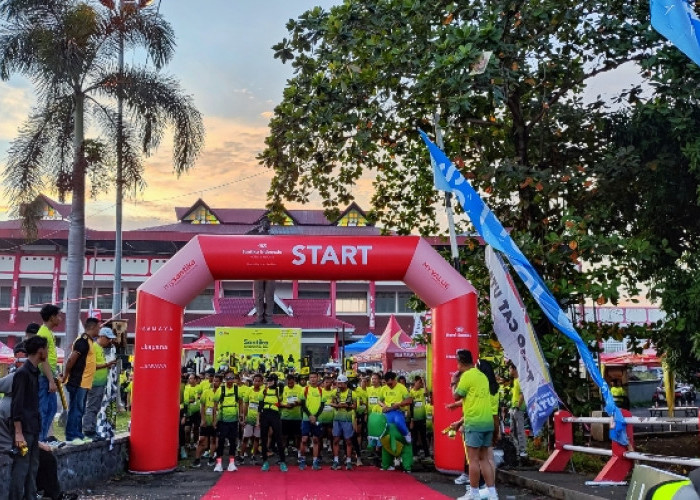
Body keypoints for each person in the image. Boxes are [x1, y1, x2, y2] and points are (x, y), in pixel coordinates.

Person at [449, 349, 498, 500]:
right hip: (487, 422)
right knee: (484, 459)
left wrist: (453, 381)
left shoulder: (467, 376)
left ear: (460, 362)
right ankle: (492, 494)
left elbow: (456, 395)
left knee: (473, 460)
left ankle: (474, 493)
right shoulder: (482, 376)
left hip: (474, 423)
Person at [10, 335, 47, 500]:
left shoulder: (34, 372)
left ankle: (30, 496)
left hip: (33, 426)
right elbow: (16, 405)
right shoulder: (22, 373)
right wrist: (18, 433)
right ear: (40, 351)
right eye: (46, 349)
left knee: (33, 466)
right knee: (22, 467)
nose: (47, 352)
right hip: (24, 428)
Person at [62, 317, 99, 444]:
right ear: (92, 327)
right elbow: (71, 360)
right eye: (98, 328)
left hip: (85, 383)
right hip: (78, 382)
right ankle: (71, 436)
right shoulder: (82, 341)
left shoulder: (90, 341)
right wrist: (65, 375)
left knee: (80, 410)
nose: (99, 330)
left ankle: (78, 434)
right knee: (76, 409)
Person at [83, 327, 117, 440]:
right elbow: (91, 366)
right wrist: (107, 365)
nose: (109, 341)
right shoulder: (94, 347)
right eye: (108, 338)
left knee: (95, 407)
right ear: (101, 337)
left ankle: (92, 429)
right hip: (94, 383)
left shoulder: (100, 348)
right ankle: (88, 430)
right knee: (92, 407)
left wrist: (108, 366)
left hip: (100, 383)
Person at [37, 304, 62, 444]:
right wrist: (50, 380)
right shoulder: (43, 333)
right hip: (44, 377)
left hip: (49, 375)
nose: (60, 319)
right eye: (58, 316)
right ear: (52, 317)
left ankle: (43, 437)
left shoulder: (49, 332)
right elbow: (43, 359)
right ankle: (40, 440)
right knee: (44, 409)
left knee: (51, 408)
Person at [257, 373, 287, 472]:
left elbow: (282, 399)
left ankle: (282, 462)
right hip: (265, 414)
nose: (269, 382)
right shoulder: (264, 390)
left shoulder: (279, 390)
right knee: (264, 439)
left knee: (279, 438)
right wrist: (258, 420)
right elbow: (260, 406)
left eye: (271, 380)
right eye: (268, 380)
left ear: (275, 381)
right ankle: (265, 462)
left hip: (275, 415)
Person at [193, 374, 222, 468]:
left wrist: (216, 420)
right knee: (201, 440)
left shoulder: (222, 392)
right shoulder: (206, 392)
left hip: (216, 420)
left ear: (220, 382)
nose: (215, 382)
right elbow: (202, 406)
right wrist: (203, 419)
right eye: (214, 381)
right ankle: (197, 459)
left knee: (213, 440)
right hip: (206, 420)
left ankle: (211, 458)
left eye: (217, 381)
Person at [213, 372, 241, 472]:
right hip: (222, 420)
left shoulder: (237, 389)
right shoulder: (221, 389)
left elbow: (241, 402)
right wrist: (214, 420)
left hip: (234, 420)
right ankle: (219, 463)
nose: (230, 380)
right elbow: (215, 405)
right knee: (221, 441)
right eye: (228, 378)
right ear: (225, 379)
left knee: (233, 442)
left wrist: (241, 415)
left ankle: (231, 463)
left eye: (232, 378)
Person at [299, 371, 324, 470]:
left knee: (316, 440)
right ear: (309, 379)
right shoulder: (304, 389)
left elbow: (322, 405)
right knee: (304, 439)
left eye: (314, 377)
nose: (313, 379)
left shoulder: (321, 390)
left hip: (317, 419)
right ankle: (302, 460)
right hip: (306, 418)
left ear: (318, 378)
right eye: (311, 377)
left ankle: (315, 462)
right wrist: (310, 416)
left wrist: (315, 416)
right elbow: (302, 404)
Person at [330, 374, 356, 470]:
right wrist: (337, 405)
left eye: (341, 383)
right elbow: (330, 402)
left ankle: (348, 461)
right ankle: (336, 460)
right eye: (338, 383)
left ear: (346, 383)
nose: (339, 385)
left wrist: (347, 405)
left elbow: (355, 406)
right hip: (337, 419)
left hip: (347, 419)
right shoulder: (334, 392)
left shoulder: (352, 393)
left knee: (348, 440)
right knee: (336, 439)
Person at [379, 371, 412, 444]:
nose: (389, 386)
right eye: (387, 384)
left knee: (398, 422)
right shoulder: (383, 388)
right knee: (383, 428)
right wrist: (384, 406)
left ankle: (406, 434)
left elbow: (409, 400)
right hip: (387, 412)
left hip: (398, 411)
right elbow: (379, 401)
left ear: (394, 380)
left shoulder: (402, 387)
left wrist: (399, 404)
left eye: (390, 384)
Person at [241, 373, 263, 464]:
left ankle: (253, 456)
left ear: (261, 382)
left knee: (256, 438)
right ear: (253, 381)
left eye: (259, 381)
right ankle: (241, 456)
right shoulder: (248, 390)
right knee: (245, 438)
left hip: (259, 419)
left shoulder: (264, 391)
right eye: (255, 381)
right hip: (249, 418)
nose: (257, 382)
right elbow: (245, 405)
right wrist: (244, 418)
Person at [280, 373, 303, 463]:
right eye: (288, 382)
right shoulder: (283, 389)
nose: (290, 384)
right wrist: (285, 405)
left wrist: (295, 403)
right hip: (285, 416)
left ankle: (299, 452)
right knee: (284, 436)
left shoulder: (300, 388)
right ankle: (284, 451)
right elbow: (278, 401)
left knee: (297, 436)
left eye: (292, 382)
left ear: (294, 381)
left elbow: (302, 401)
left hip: (296, 417)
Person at [508, 362, 527, 459]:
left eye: (510, 369)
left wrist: (518, 406)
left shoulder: (520, 380)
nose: (509, 371)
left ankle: (523, 451)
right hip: (513, 408)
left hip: (518, 409)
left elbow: (522, 394)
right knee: (513, 430)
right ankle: (517, 451)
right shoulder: (514, 380)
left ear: (514, 369)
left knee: (520, 430)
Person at [409, 376, 431, 460]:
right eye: (419, 382)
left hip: (422, 418)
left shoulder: (422, 390)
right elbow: (410, 406)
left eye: (421, 383)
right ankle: (414, 455)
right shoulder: (410, 392)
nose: (420, 384)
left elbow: (426, 394)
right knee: (414, 438)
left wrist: (424, 383)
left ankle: (427, 455)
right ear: (415, 382)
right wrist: (411, 419)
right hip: (414, 419)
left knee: (423, 437)